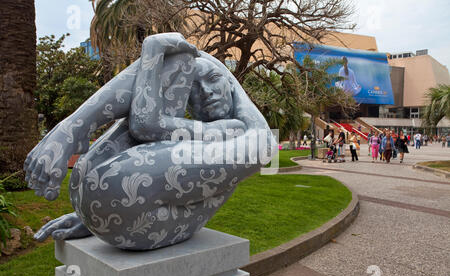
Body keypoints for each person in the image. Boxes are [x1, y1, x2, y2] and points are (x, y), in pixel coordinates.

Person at [25, 33, 276, 250]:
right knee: (179, 56)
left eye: (212, 78)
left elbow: (145, 124)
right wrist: (90, 217)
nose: (207, 93)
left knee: (175, 54)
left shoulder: (240, 133)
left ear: (230, 81)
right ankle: (74, 129)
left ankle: (73, 128)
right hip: (132, 218)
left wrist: (153, 47)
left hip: (130, 224)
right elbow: (147, 125)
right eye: (194, 89)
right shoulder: (205, 133)